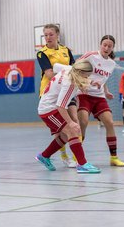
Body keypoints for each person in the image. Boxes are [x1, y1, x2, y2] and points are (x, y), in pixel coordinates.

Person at [36, 59, 100, 173]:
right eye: (86, 77)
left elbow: (55, 66)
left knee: (66, 136)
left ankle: (44, 156)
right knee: (72, 131)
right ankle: (82, 164)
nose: (87, 79)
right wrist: (70, 122)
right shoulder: (70, 84)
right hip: (48, 110)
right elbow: (61, 106)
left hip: (51, 106)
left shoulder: (70, 69)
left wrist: (91, 82)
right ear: (80, 74)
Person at [77, 35, 124, 167]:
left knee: (109, 122)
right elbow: (74, 69)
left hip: (99, 97)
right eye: (104, 45)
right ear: (100, 45)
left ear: (112, 48)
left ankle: (114, 157)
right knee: (83, 122)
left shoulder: (111, 63)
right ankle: (78, 157)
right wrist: (84, 83)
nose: (106, 48)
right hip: (84, 94)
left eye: (109, 46)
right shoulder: (90, 56)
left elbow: (102, 79)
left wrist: (106, 90)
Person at [37, 23, 76, 168]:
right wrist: (68, 71)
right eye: (45, 35)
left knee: (75, 122)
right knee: (60, 129)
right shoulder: (42, 53)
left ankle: (77, 157)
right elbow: (48, 73)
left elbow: (75, 69)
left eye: (51, 34)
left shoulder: (66, 51)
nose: (48, 37)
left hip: (67, 90)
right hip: (50, 93)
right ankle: (64, 156)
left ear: (57, 35)